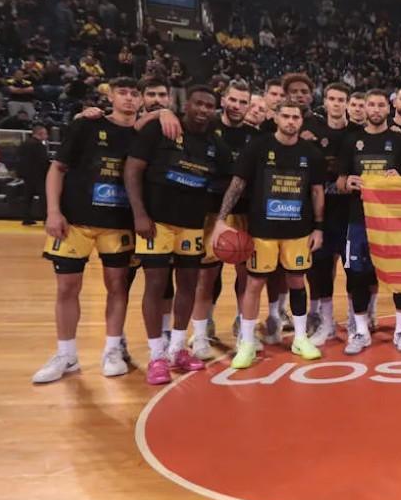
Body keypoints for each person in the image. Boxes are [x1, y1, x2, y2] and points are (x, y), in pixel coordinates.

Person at [33, 78, 141, 384]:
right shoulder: (86, 126)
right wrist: (53, 211)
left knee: (118, 288)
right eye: (123, 92)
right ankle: (66, 354)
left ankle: (111, 350)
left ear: (143, 100)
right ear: (111, 95)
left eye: (135, 94)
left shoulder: (143, 135)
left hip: (119, 223)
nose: (129, 99)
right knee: (67, 288)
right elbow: (57, 168)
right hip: (75, 221)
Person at [125, 86, 233, 385]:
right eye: (198, 103)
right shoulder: (161, 130)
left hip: (192, 225)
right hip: (156, 221)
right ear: (187, 105)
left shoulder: (215, 144)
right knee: (156, 286)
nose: (203, 110)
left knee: (188, 285)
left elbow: (232, 179)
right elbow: (132, 170)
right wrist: (139, 214)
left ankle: (177, 348)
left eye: (209, 106)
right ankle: (156, 355)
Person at [212, 99, 326, 369]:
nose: (290, 121)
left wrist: (319, 227)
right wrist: (220, 220)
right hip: (262, 230)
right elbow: (238, 184)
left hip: (298, 230)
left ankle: (299, 338)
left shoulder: (311, 153)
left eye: (295, 117)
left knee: (297, 281)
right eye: (285, 116)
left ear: (301, 120)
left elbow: (317, 192)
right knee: (254, 284)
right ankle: (248, 342)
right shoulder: (258, 147)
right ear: (275, 117)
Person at [338, 89, 401, 354]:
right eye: (369, 104)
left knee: (400, 276)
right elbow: (339, 181)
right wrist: (347, 182)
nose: (374, 109)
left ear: (388, 108)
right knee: (358, 275)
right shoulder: (351, 141)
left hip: (394, 221)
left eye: (380, 105)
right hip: (359, 219)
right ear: (362, 108)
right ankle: (361, 332)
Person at [190, 80, 257, 360]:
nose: (238, 106)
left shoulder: (255, 135)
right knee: (206, 277)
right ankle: (201, 333)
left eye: (244, 102)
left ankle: (244, 330)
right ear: (224, 100)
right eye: (234, 100)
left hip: (244, 212)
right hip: (210, 212)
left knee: (245, 276)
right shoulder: (208, 128)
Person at [304, 82, 358, 347]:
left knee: (353, 269)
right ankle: (326, 323)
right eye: (332, 99)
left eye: (341, 99)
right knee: (322, 269)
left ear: (348, 103)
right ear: (324, 102)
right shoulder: (311, 131)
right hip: (320, 213)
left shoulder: (356, 133)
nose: (337, 104)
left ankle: (353, 321)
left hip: (350, 213)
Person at [16, 124, 51, 225]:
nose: (47, 136)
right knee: (44, 197)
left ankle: (26, 218)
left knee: (28, 197)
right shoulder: (39, 145)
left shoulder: (24, 143)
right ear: (40, 134)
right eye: (45, 134)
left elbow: (19, 159)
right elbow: (43, 161)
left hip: (27, 175)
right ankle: (46, 218)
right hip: (38, 175)